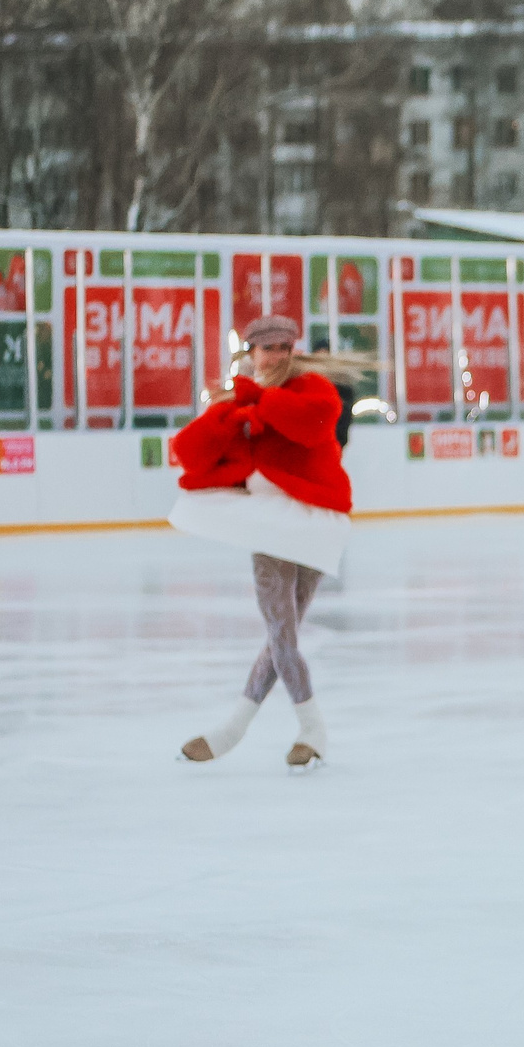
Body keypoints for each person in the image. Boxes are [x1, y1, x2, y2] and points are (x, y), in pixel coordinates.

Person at [167, 317, 366, 772]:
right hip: (268, 524)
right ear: (251, 353)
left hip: (315, 519)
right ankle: (298, 732)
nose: (275, 356)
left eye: (283, 347)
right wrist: (229, 413)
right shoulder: (240, 399)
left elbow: (314, 425)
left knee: (283, 633)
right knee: (283, 633)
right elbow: (189, 450)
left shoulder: (312, 386)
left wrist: (257, 400)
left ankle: (241, 730)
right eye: (266, 348)